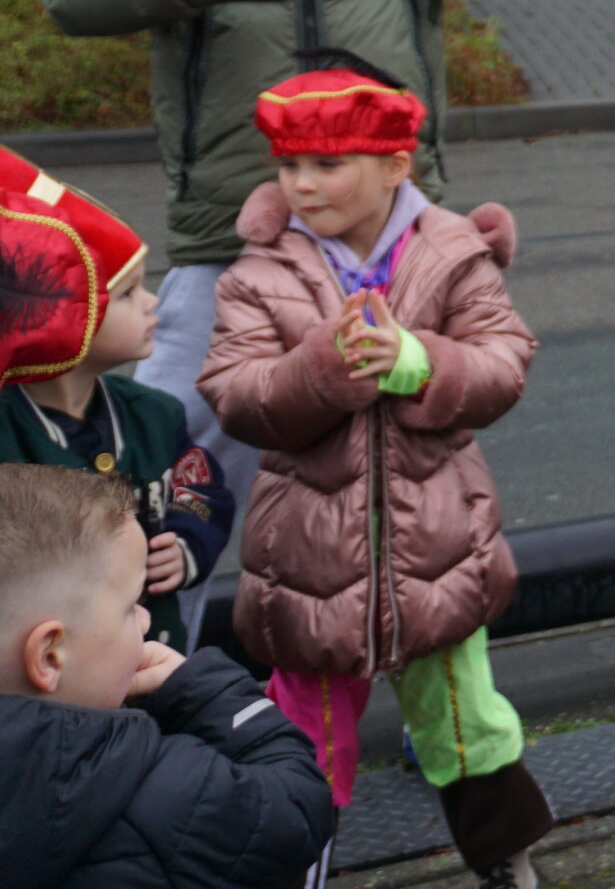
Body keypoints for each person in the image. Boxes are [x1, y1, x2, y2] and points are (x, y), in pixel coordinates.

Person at [30, 0, 588, 637]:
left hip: (395, 254)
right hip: (230, 247)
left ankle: (418, 694)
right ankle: (147, 677)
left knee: (412, 491)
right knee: (168, 492)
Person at [198, 63, 551, 889]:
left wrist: (414, 359)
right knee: (306, 736)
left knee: (468, 722)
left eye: (328, 165)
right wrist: (320, 371)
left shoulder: (455, 254)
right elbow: (235, 393)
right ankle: (299, 867)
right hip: (308, 556)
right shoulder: (259, 271)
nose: (302, 184)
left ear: (396, 165)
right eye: (290, 165)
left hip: (440, 542)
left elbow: (504, 362)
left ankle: (507, 861)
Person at [0, 461, 333, 888]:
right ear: (50, 656)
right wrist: (206, 693)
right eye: (131, 606)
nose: (144, 621)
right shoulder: (159, 785)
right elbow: (293, 810)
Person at [0, 147, 232, 650]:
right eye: (127, 293)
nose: (153, 302)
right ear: (65, 316)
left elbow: (201, 488)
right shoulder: (8, 430)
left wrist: (189, 541)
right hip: (49, 674)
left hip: (154, 662)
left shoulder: (154, 413)